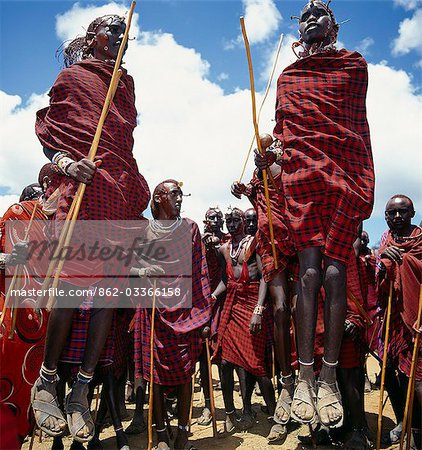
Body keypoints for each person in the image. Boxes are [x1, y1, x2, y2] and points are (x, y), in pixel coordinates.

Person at [255, 0, 374, 428]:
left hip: (343, 173)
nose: (309, 19)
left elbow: (350, 124)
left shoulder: (352, 65)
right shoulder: (288, 78)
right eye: (303, 15)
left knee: (334, 273)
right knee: (307, 273)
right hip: (302, 176)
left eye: (318, 13)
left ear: (334, 25)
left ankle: (326, 378)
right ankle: (304, 374)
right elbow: (286, 139)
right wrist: (269, 156)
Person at [31, 14, 150, 443]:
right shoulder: (73, 77)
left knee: (105, 297)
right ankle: (46, 382)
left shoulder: (126, 84)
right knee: (68, 286)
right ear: (93, 38)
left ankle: (81, 388)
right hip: (81, 189)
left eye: (125, 33)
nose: (120, 38)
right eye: (111, 30)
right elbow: (48, 134)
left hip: (115, 189)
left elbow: (124, 137)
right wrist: (67, 164)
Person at [133, 179, 212, 450]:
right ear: (158, 198)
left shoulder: (190, 228)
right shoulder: (143, 232)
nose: (180, 199)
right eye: (174, 194)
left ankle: (183, 432)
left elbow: (200, 271)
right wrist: (143, 272)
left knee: (185, 372)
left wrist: (203, 316)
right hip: (152, 310)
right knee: (153, 374)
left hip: (185, 312)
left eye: (181, 195)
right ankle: (161, 433)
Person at [213, 208, 277, 435]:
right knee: (225, 363)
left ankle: (275, 414)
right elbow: (224, 280)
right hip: (232, 306)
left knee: (257, 366)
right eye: (228, 221)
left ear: (243, 222)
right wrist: (213, 295)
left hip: (251, 305)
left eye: (235, 220)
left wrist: (259, 310)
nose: (231, 224)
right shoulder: (223, 249)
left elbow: (263, 278)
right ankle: (231, 412)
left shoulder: (254, 244)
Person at [377, 194, 421, 448]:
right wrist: (385, 259)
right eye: (391, 213)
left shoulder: (421, 240)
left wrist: (405, 261)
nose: (397, 217)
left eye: (402, 212)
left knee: (418, 381)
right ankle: (404, 424)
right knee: (393, 375)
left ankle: (417, 433)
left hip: (418, 319)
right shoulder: (386, 240)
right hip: (393, 319)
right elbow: (379, 279)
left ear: (412, 213)